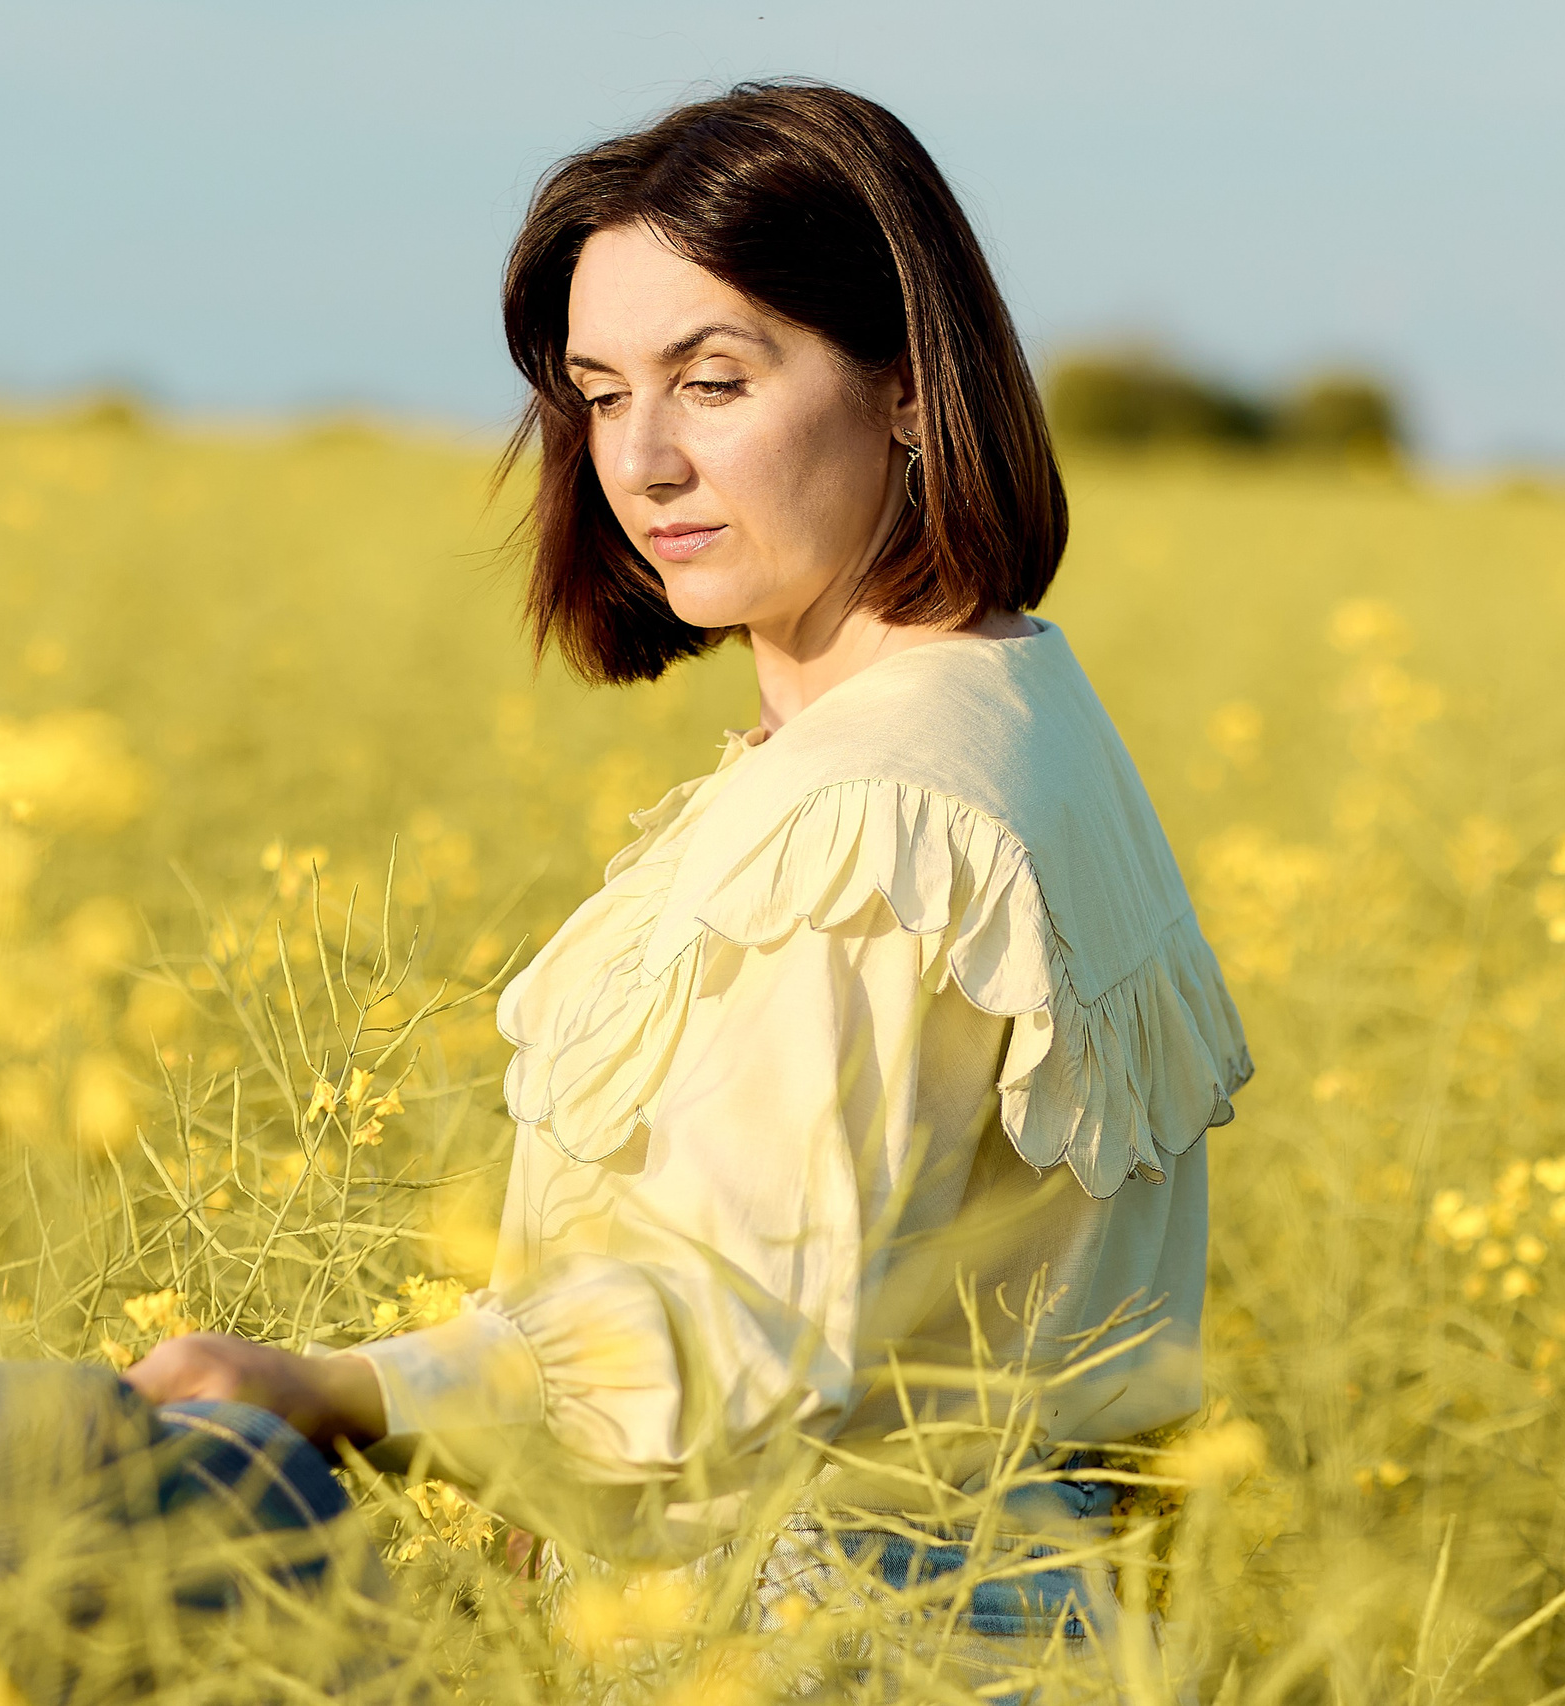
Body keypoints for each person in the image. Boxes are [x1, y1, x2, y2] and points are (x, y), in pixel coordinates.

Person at [122, 79, 1251, 1689]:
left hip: (837, 1631)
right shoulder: (1017, 706)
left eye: (714, 380)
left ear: (908, 386)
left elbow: (727, 1333)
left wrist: (337, 1389)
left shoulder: (870, 815)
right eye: (595, 394)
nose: (640, 461)